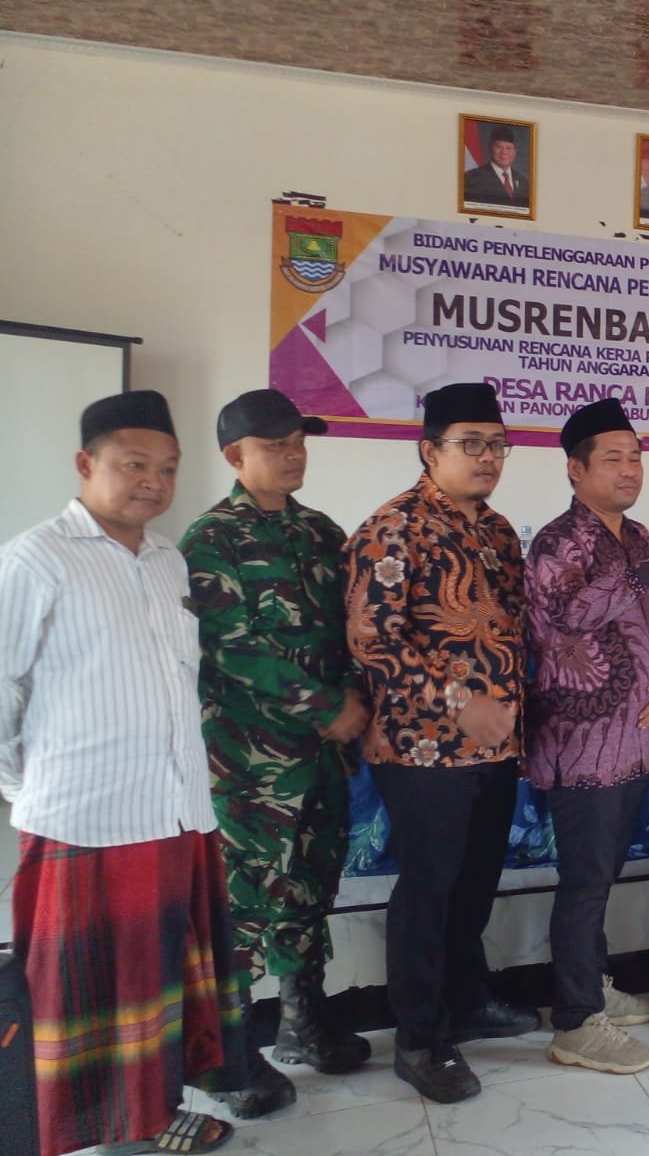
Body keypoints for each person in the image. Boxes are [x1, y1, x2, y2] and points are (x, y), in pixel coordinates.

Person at [1, 391, 247, 1156]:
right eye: (134, 464)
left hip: (175, 813)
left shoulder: (170, 559)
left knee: (160, 983)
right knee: (87, 994)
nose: (153, 481)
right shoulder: (35, 558)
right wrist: (29, 787)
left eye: (167, 468)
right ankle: (104, 1133)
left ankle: (153, 1113)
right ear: (86, 463)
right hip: (85, 818)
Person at [181, 389, 373, 1117]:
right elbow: (232, 648)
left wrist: (355, 695)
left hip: (322, 759)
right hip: (251, 765)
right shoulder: (211, 540)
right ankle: (230, 1057)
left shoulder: (321, 532)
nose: (293, 455)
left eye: (299, 442)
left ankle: (303, 1021)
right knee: (245, 904)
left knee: (310, 889)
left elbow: (353, 628)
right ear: (236, 455)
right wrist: (329, 707)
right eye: (275, 445)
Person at [343, 382, 535, 1104]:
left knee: (475, 885)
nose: (488, 458)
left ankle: (466, 1000)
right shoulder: (393, 527)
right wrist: (460, 702)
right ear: (430, 450)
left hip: (496, 747)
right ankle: (420, 1039)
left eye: (498, 445)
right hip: (424, 750)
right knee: (428, 891)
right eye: (470, 444)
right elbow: (372, 639)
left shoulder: (499, 530)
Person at [526, 397, 649, 1073]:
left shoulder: (642, 537)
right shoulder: (557, 543)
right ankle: (574, 1022)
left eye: (636, 457)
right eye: (614, 458)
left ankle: (591, 984)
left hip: (636, 742)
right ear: (576, 468)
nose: (630, 469)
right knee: (584, 882)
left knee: (603, 876)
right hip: (581, 746)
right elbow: (570, 615)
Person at [463, 124, 529, 208]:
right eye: (498, 147)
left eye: (508, 148)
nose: (504, 152)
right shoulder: (472, 178)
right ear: (490, 148)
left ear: (515, 151)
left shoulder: (523, 182)